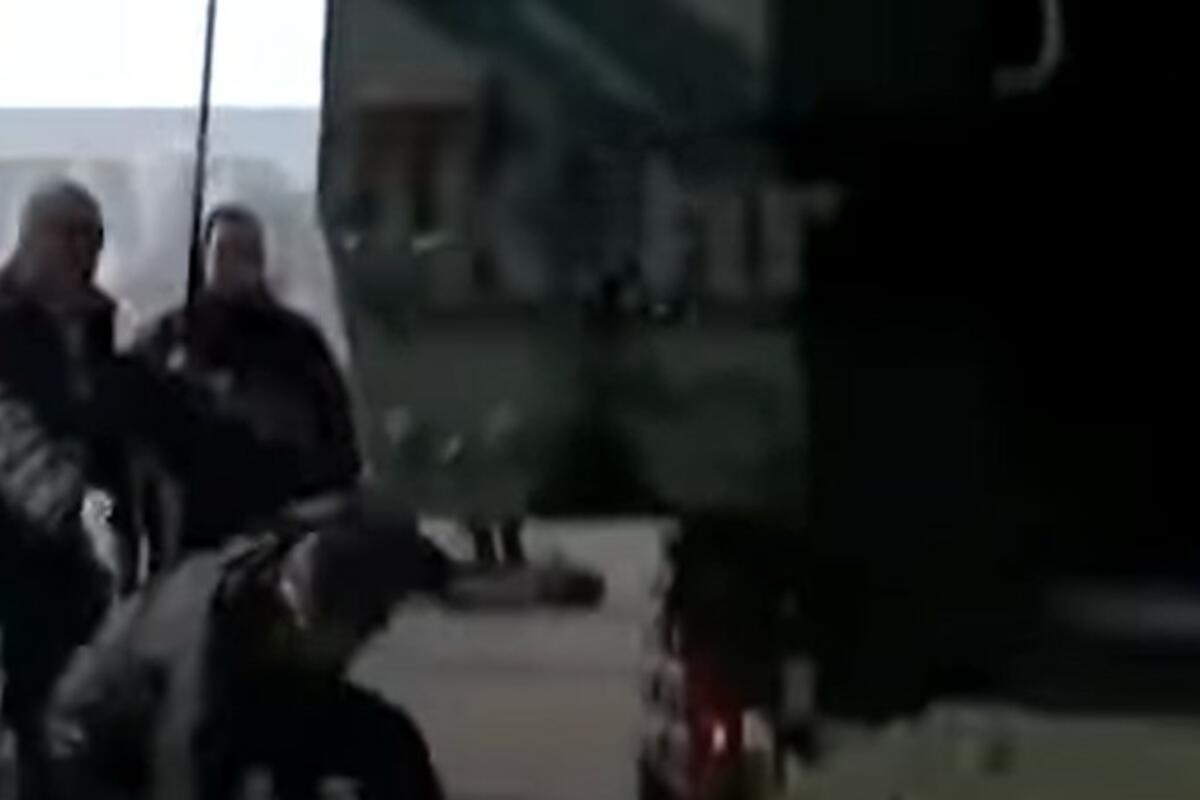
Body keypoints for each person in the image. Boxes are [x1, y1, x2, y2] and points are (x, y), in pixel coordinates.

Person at [45, 487, 451, 800]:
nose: (379, 629)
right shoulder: (205, 658)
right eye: (368, 620)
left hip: (244, 701)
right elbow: (186, 777)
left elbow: (350, 514)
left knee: (386, 743)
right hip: (99, 754)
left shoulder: (288, 570)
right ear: (307, 618)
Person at [137, 203, 361, 549]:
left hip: (289, 526)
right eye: (224, 252)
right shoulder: (166, 340)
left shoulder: (299, 341)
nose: (237, 263)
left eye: (247, 252)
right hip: (196, 537)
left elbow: (339, 441)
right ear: (205, 259)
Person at [0, 179, 124, 800]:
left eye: (93, 238)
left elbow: (103, 443)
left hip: (71, 566)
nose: (83, 252)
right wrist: (75, 511)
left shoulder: (93, 328)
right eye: (69, 235)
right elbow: (16, 441)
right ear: (31, 236)